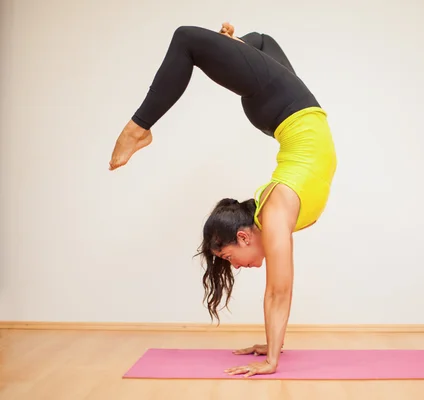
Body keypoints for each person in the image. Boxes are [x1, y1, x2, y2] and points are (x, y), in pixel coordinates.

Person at [108, 23, 337, 377]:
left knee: (188, 38)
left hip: (283, 106)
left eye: (229, 257)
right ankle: (235, 49)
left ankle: (139, 127)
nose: (236, 266)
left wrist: (271, 361)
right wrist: (271, 345)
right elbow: (279, 291)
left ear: (243, 236)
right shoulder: (273, 213)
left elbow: (279, 291)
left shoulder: (274, 215)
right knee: (260, 42)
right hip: (284, 110)